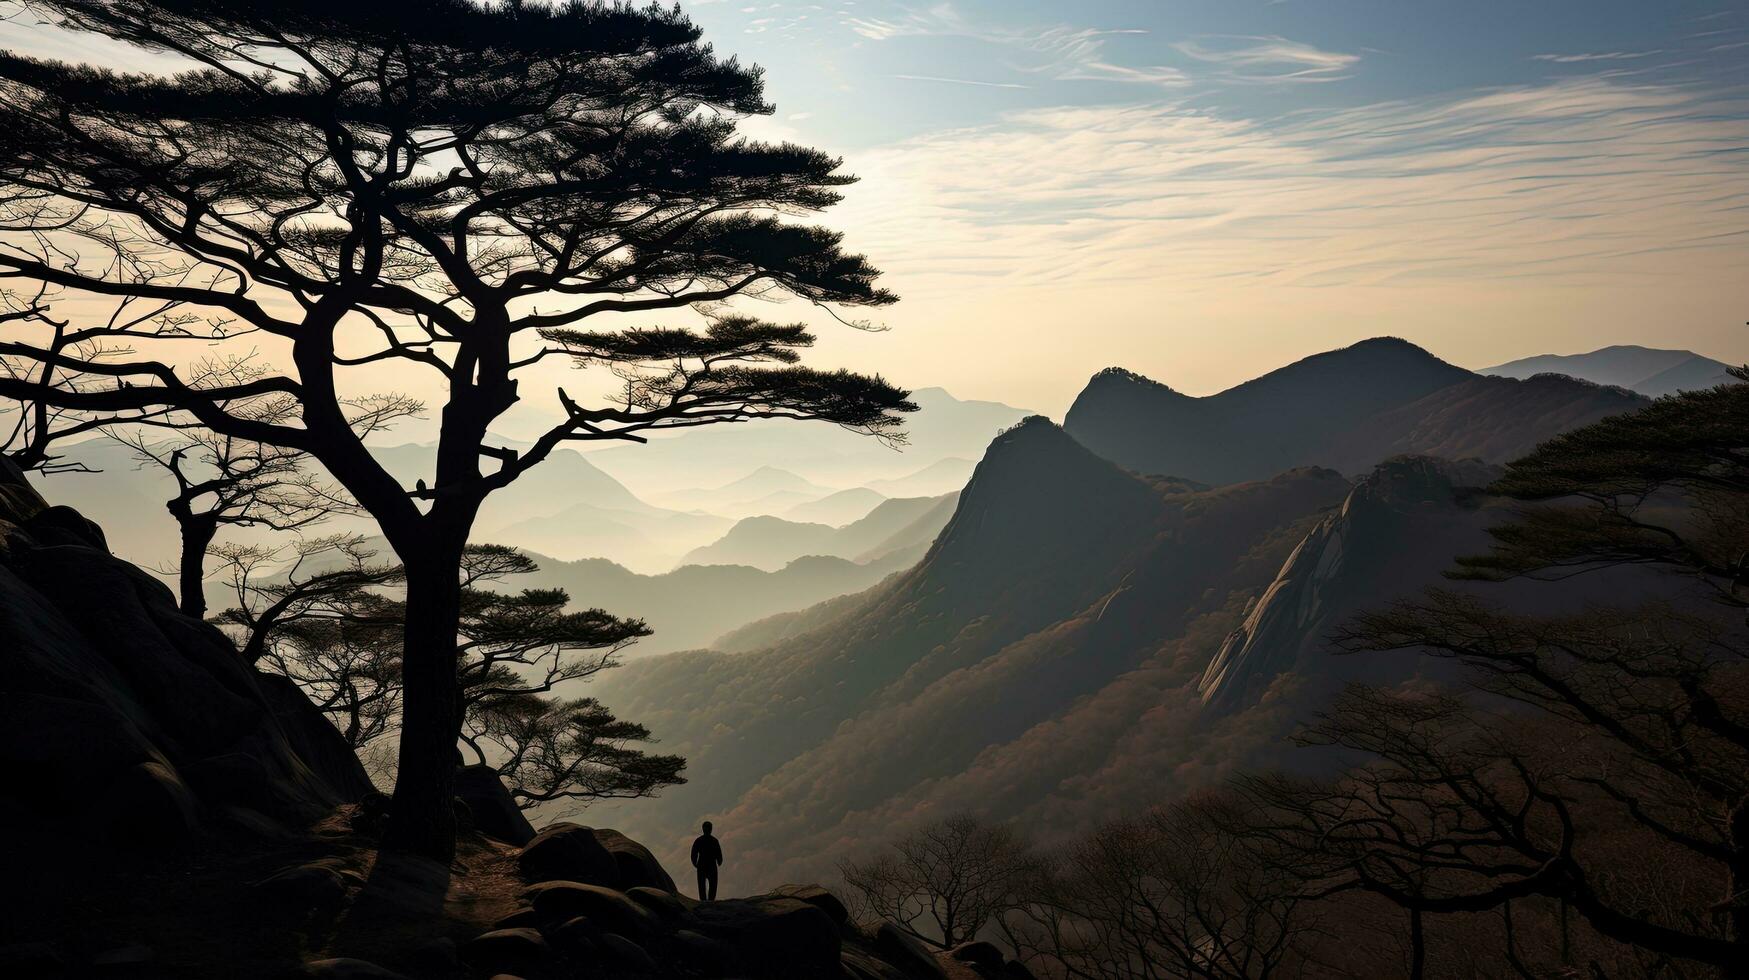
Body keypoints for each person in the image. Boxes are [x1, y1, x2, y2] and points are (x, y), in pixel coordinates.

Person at [690, 820, 723, 901]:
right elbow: (694, 853)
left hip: (704, 865)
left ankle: (706, 901)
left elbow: (694, 853)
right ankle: (707, 901)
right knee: (707, 886)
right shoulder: (713, 840)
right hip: (707, 865)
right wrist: (719, 861)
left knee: (709, 886)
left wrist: (695, 863)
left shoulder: (701, 840)